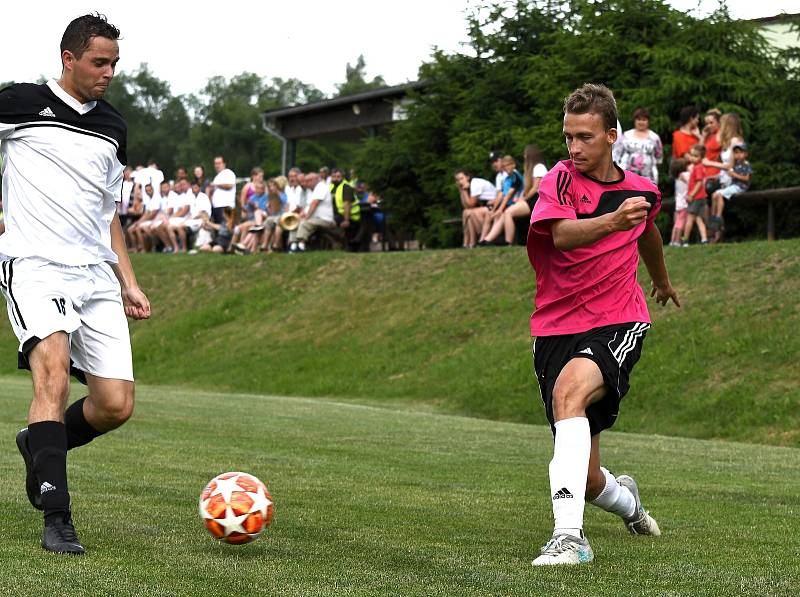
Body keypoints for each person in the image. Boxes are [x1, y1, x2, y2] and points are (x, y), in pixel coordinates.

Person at [0, 13, 150, 555]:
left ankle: (38, 443)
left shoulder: (113, 126)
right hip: (35, 264)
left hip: (94, 274)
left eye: (114, 63)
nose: (108, 72)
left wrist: (127, 281)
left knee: (114, 405)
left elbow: (109, 214)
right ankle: (57, 517)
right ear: (69, 59)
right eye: (98, 61)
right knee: (54, 375)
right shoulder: (18, 103)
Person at [527, 83, 679, 566]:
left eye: (586, 137)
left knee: (569, 394)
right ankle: (630, 503)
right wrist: (614, 222)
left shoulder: (642, 189)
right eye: (568, 137)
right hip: (555, 324)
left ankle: (569, 539)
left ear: (612, 135)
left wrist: (661, 280)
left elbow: (649, 230)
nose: (574, 148)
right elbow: (564, 237)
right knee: (589, 479)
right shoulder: (559, 181)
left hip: (619, 317)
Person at [702, 113, 746, 241]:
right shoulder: (728, 142)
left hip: (736, 180)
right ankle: (715, 228)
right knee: (711, 192)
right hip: (725, 178)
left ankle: (716, 229)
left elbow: (731, 165)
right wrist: (717, 175)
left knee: (714, 193)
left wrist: (710, 163)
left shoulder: (736, 142)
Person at [498, 144, 547, 245]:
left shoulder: (539, 167)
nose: (524, 156)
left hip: (538, 200)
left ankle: (509, 242)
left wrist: (523, 199)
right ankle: (494, 240)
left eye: (525, 154)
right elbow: (527, 189)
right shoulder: (531, 169)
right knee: (507, 212)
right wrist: (521, 198)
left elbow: (535, 188)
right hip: (532, 199)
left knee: (508, 213)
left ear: (530, 155)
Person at [709, 142, 752, 237]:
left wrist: (734, 175)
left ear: (746, 154)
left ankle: (719, 218)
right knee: (714, 194)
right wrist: (716, 177)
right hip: (733, 186)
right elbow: (726, 173)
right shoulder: (734, 164)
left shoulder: (746, 164)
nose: (738, 155)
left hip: (740, 186)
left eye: (740, 152)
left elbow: (747, 178)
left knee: (719, 195)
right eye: (736, 153)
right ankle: (713, 218)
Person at [479, 155, 523, 245]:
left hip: (517, 204)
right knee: (493, 214)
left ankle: (490, 240)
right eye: (504, 166)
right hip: (510, 204)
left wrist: (499, 209)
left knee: (502, 214)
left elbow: (508, 195)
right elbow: (502, 194)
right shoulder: (507, 178)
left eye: (508, 165)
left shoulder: (516, 176)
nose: (506, 168)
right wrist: (495, 209)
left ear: (513, 165)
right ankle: (485, 240)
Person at [290, 172, 336, 253]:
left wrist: (306, 217)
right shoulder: (313, 190)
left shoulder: (321, 187)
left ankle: (301, 246)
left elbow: (314, 203)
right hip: (315, 218)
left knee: (305, 223)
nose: (306, 184)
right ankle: (293, 245)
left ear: (314, 180)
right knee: (295, 222)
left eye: (308, 181)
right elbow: (308, 205)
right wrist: (302, 214)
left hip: (325, 219)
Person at [617, 108, 663, 184]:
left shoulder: (655, 138)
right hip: (627, 178)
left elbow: (659, 159)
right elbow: (617, 154)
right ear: (634, 120)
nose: (641, 122)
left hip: (649, 179)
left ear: (648, 121)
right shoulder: (626, 136)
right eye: (638, 119)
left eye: (644, 119)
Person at [454, 169, 496, 248]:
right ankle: (469, 243)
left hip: (493, 206)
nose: (460, 182)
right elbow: (466, 206)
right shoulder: (469, 186)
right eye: (457, 180)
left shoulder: (475, 184)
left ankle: (469, 242)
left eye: (461, 178)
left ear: (468, 177)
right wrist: (462, 191)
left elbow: (471, 205)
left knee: (468, 212)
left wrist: (464, 191)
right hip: (485, 207)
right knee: (466, 212)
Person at [681, 144, 709, 246]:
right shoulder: (698, 167)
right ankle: (704, 239)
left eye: (696, 156)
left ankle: (685, 240)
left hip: (696, 197)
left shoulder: (698, 168)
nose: (693, 158)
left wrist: (691, 195)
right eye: (692, 155)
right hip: (701, 197)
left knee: (690, 218)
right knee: (698, 218)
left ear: (701, 158)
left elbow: (699, 183)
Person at [209, 155, 236, 224]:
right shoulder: (217, 177)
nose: (217, 165)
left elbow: (230, 185)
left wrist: (216, 185)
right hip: (216, 207)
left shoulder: (228, 173)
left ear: (224, 164)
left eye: (219, 163)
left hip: (226, 206)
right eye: (215, 163)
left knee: (225, 230)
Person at [669, 158, 689, 247]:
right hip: (684, 203)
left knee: (677, 223)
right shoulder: (684, 175)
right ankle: (677, 241)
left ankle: (673, 240)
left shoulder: (677, 178)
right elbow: (691, 183)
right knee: (681, 223)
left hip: (678, 203)